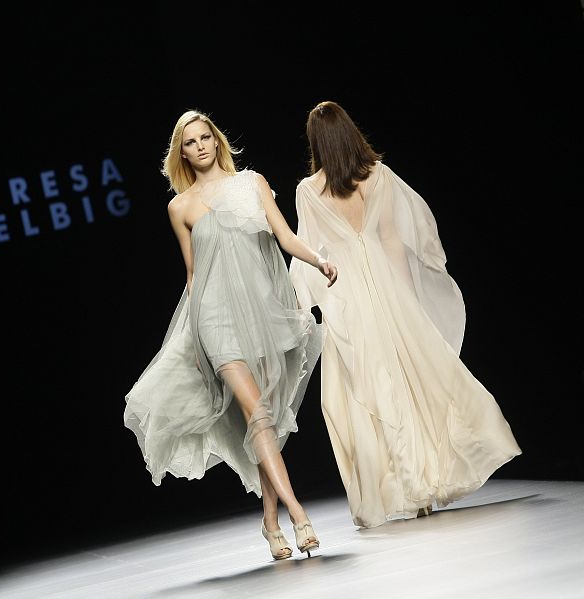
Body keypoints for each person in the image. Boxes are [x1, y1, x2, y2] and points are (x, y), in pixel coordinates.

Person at [288, 100, 522, 528]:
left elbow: (312, 253)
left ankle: (406, 485)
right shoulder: (376, 175)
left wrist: (309, 304)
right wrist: (407, 298)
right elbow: (394, 240)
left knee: (371, 389)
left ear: (316, 143)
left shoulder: (309, 190)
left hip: (349, 296)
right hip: (387, 286)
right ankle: (424, 484)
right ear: (349, 131)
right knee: (413, 379)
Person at [124, 109, 338, 560]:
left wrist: (318, 260)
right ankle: (300, 515)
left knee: (264, 420)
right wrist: (196, 342)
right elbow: (192, 276)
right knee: (254, 410)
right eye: (190, 142)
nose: (200, 146)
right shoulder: (179, 207)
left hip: (260, 319)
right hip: (215, 322)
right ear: (180, 152)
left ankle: (269, 522)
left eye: (205, 137)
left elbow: (284, 237)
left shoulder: (251, 184)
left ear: (217, 141)